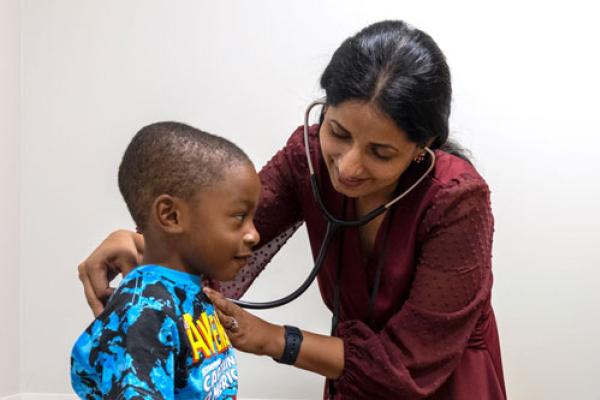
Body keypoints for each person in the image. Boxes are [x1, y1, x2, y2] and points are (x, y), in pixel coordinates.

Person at [77, 21, 506, 399]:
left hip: (443, 381)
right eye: (337, 132)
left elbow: (408, 364)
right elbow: (220, 232)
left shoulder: (456, 200)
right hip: (358, 379)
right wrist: (141, 239)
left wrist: (272, 340)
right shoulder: (307, 159)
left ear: (422, 147)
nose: (349, 166)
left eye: (380, 152)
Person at [71, 122, 262, 399]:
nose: (254, 235)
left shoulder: (187, 293)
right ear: (171, 216)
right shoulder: (145, 314)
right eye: (239, 217)